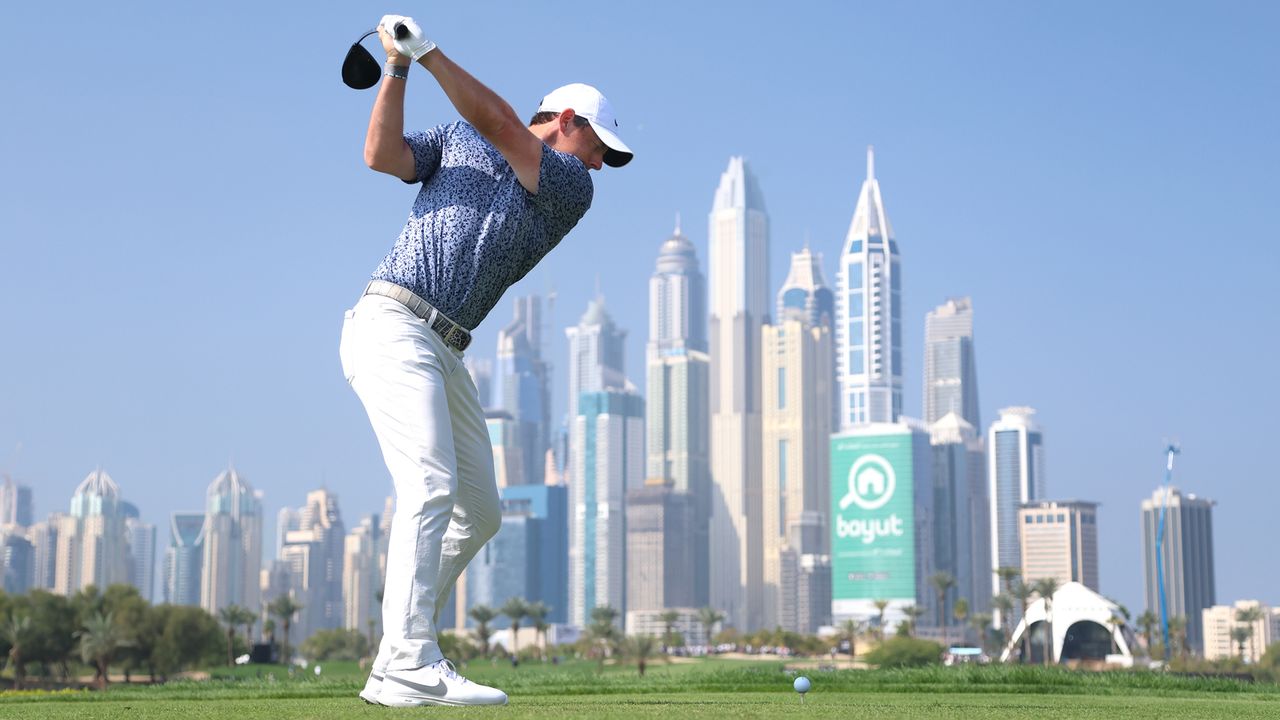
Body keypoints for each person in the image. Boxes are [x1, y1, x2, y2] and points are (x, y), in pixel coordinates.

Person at [338, 13, 633, 708]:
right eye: (598, 147)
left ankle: (394, 656)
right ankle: (411, 660)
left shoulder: (568, 187)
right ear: (566, 120)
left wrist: (429, 53)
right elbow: (381, 155)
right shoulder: (455, 137)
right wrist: (399, 68)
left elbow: (502, 125)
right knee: (432, 482)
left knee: (480, 509)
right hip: (390, 321)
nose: (600, 165)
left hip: (445, 346)